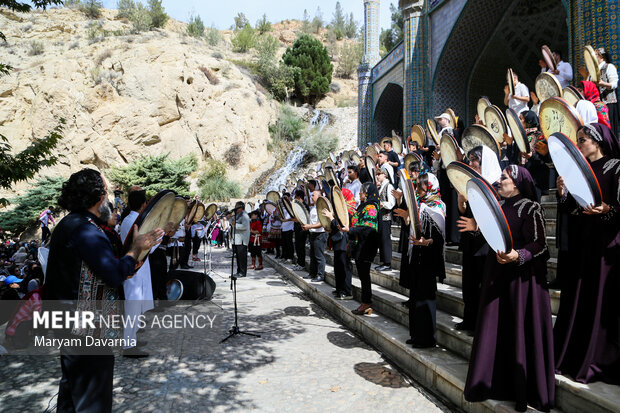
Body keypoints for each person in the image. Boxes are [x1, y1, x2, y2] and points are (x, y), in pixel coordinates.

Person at [43, 169, 162, 413]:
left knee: (72, 391)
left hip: (70, 324)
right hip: (84, 329)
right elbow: (113, 272)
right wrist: (135, 249)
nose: (109, 199)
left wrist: (137, 250)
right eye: (106, 192)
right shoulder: (85, 230)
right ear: (99, 196)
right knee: (92, 399)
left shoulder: (74, 224)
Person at [464, 165, 554, 412]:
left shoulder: (530, 207)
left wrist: (519, 255)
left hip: (522, 283)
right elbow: (494, 236)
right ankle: (494, 382)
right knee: (498, 329)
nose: (499, 181)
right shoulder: (500, 208)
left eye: (503, 178)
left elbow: (541, 245)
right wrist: (477, 228)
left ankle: (522, 389)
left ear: (515, 183)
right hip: (498, 276)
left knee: (518, 330)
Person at [553, 123, 620, 385]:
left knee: (603, 299)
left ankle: (600, 357)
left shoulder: (615, 166)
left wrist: (608, 210)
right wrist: (562, 193)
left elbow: (618, 206)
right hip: (584, 243)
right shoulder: (580, 170)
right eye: (578, 140)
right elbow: (571, 209)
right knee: (582, 297)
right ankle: (574, 354)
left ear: (598, 141)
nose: (579, 144)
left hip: (607, 244)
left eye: (583, 140)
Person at [454, 146, 501, 332]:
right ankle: (470, 319)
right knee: (469, 283)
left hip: (486, 244)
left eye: (475, 160)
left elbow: (497, 215)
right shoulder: (472, 184)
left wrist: (478, 225)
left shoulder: (496, 185)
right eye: (470, 159)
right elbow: (466, 212)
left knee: (483, 284)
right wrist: (461, 203)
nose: (471, 163)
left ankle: (483, 325)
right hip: (471, 242)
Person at [407, 173, 446, 348]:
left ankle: (427, 338)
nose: (418, 189)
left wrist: (427, 241)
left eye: (421, 186)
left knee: (426, 297)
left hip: (429, 256)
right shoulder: (420, 204)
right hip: (417, 252)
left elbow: (439, 237)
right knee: (415, 296)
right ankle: (416, 334)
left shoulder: (438, 205)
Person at [342, 182, 380, 315]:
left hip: (366, 246)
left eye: (362, 192)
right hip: (360, 245)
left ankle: (367, 302)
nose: (360, 194)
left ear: (368, 193)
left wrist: (350, 230)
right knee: (363, 275)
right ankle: (365, 302)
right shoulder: (363, 206)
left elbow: (367, 228)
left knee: (364, 276)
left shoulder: (371, 207)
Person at [321, 205, 353, 300]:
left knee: (344, 268)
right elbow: (335, 226)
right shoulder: (338, 213)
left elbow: (341, 226)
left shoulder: (347, 213)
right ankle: (339, 289)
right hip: (338, 244)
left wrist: (331, 217)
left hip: (344, 245)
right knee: (338, 268)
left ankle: (346, 292)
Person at [519, 111, 551, 201]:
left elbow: (544, 161)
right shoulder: (521, 137)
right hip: (524, 179)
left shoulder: (540, 137)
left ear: (529, 121)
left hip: (537, 180)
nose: (519, 121)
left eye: (521, 119)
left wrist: (532, 156)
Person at [302, 189, 328, 282]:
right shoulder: (313, 207)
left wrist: (310, 226)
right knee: (312, 255)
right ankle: (312, 273)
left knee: (319, 256)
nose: (311, 197)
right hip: (313, 233)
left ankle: (320, 275)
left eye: (313, 195)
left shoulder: (322, 207)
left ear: (319, 197)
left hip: (320, 234)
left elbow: (321, 222)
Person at [595, 47, 619, 136]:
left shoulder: (609, 67)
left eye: (595, 55)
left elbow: (614, 84)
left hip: (607, 103)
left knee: (609, 128)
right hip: (597, 104)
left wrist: (603, 84)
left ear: (601, 56)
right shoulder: (593, 70)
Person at [374, 169, 395, 271]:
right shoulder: (381, 186)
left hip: (386, 216)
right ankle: (384, 262)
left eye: (379, 174)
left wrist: (382, 204)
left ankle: (387, 263)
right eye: (377, 174)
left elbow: (391, 203)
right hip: (380, 216)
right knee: (381, 239)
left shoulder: (389, 186)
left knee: (385, 239)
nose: (377, 176)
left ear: (384, 175)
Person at [231, 201, 250, 278]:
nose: (235, 207)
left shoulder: (245, 215)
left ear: (240, 207)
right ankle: (239, 271)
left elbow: (245, 226)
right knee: (238, 257)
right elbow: (232, 223)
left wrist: (235, 225)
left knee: (242, 257)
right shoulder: (238, 215)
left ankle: (242, 272)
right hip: (237, 239)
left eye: (236, 206)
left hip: (242, 240)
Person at [292, 189, 308, 271]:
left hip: (302, 230)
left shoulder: (304, 206)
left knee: (301, 247)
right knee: (298, 247)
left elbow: (303, 218)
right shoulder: (298, 206)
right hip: (297, 229)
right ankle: (299, 263)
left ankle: (302, 264)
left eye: (296, 197)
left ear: (299, 197)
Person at [280, 193, 296, 264]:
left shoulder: (292, 206)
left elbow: (294, 217)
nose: (285, 199)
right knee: (284, 243)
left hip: (290, 227)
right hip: (284, 226)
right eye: (283, 198)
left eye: (286, 197)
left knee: (289, 243)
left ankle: (290, 257)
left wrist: (286, 220)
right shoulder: (282, 206)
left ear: (289, 197)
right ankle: (285, 256)